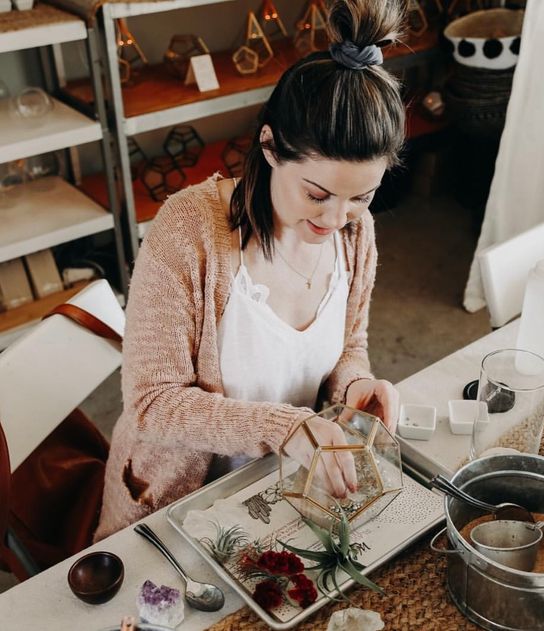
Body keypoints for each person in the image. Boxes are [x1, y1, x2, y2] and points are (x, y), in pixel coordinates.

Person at [95, 0, 406, 540]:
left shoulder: (357, 234)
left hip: (285, 496)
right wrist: (285, 428)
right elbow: (151, 404)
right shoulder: (189, 230)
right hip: (174, 511)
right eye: (317, 193)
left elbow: (348, 345)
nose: (336, 219)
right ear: (269, 147)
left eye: (362, 197)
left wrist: (356, 385)